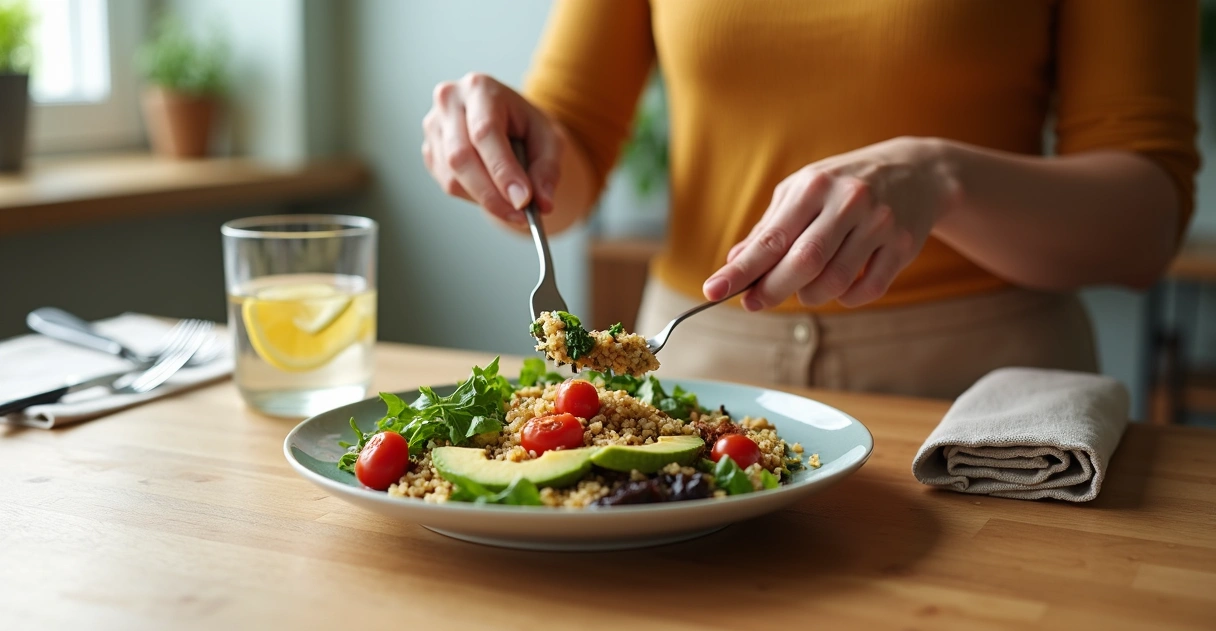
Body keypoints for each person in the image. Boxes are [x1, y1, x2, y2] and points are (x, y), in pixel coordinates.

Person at [421, 1, 1199, 398]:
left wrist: (940, 178)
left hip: (976, 398)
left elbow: (1145, 224)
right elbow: (570, 160)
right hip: (697, 373)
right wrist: (503, 151)